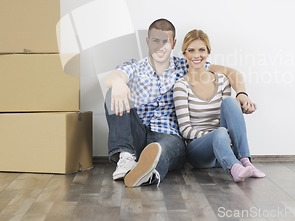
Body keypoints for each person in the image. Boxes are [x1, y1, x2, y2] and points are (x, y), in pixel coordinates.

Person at [104, 18, 257, 187]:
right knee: (112, 92)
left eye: (166, 42)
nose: (160, 47)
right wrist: (118, 82)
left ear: (174, 43)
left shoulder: (186, 66)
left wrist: (242, 93)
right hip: (137, 132)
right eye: (155, 41)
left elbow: (231, 72)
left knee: (163, 151)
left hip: (168, 135)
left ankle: (149, 174)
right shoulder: (135, 67)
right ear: (147, 41)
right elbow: (112, 77)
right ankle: (125, 157)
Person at [173, 29, 265, 182]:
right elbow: (185, 130)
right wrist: (215, 134)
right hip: (200, 152)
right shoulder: (181, 86)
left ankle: (245, 161)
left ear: (208, 52)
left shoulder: (222, 80)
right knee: (220, 132)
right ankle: (234, 168)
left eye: (202, 50)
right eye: (191, 50)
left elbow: (228, 115)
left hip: (225, 145)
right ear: (185, 54)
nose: (197, 55)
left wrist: (242, 102)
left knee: (230, 102)